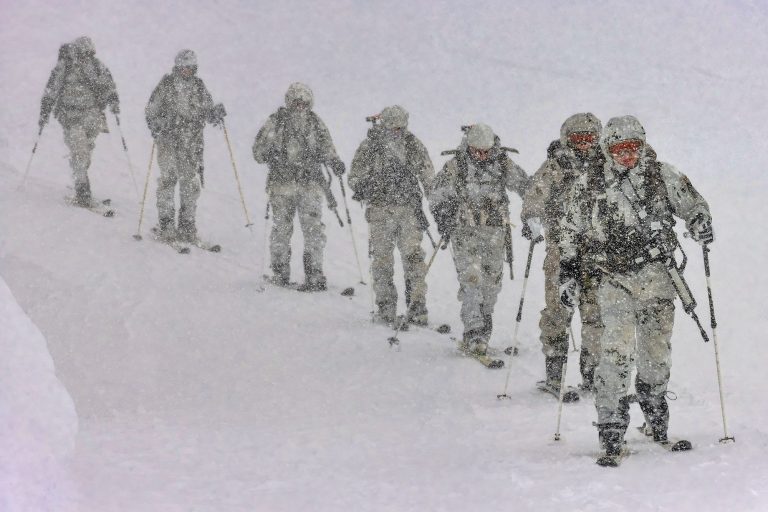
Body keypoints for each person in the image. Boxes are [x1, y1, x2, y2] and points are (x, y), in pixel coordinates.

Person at [557, 115, 714, 459]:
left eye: (633, 148)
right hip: (612, 280)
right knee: (615, 351)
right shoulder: (591, 183)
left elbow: (694, 205)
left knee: (656, 353)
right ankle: (611, 425)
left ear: (642, 146)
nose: (627, 155)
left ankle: (655, 411)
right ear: (607, 148)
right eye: (619, 149)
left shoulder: (663, 175)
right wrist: (567, 271)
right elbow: (569, 230)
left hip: (658, 277)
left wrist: (701, 221)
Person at [521, 113, 605, 396]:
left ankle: (593, 372)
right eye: (578, 139)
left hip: (599, 254)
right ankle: (554, 372)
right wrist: (531, 219)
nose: (584, 145)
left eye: (590, 139)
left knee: (596, 314)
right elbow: (535, 193)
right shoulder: (557, 166)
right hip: (561, 250)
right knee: (558, 311)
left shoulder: (605, 167)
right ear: (567, 139)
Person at [430, 124, 530, 355]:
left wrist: (535, 211)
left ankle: (485, 323)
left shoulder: (503, 163)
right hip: (465, 232)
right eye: (477, 151)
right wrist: (443, 215)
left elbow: (526, 187)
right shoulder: (457, 165)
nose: (482, 156)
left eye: (486, 152)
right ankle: (473, 330)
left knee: (492, 284)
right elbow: (436, 194)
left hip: (494, 232)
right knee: (471, 279)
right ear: (469, 147)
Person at [252, 83, 345, 292]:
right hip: (282, 186)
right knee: (282, 230)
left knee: (313, 230)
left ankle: (314, 275)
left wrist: (334, 162)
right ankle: (280, 272)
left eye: (304, 102)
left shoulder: (315, 123)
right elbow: (258, 151)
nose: (300, 106)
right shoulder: (276, 122)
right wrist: (271, 155)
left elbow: (328, 147)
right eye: (296, 102)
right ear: (289, 102)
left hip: (309, 185)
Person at [348, 105, 435, 325]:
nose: (397, 132)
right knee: (382, 260)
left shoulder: (412, 145)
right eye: (392, 128)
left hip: (408, 210)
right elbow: (355, 177)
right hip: (380, 210)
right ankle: (386, 306)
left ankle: (417, 305)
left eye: (400, 127)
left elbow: (427, 174)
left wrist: (439, 202)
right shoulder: (370, 147)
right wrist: (369, 186)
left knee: (414, 258)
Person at [145, 49, 226, 243]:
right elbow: (151, 110)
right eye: (184, 67)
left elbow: (207, 110)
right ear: (178, 67)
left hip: (191, 144)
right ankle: (166, 224)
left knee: (189, 184)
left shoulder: (199, 86)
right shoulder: (167, 84)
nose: (187, 71)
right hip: (169, 141)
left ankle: (187, 225)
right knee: (168, 179)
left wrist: (215, 114)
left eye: (191, 68)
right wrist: (157, 125)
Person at [38, 36, 119, 206]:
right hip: (70, 116)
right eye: (83, 53)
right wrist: (45, 109)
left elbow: (108, 84)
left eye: (89, 53)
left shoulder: (96, 66)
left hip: (92, 117)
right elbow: (52, 89)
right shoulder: (65, 67)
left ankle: (80, 175)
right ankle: (83, 190)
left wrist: (113, 99)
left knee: (85, 153)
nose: (86, 57)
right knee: (79, 151)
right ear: (76, 52)